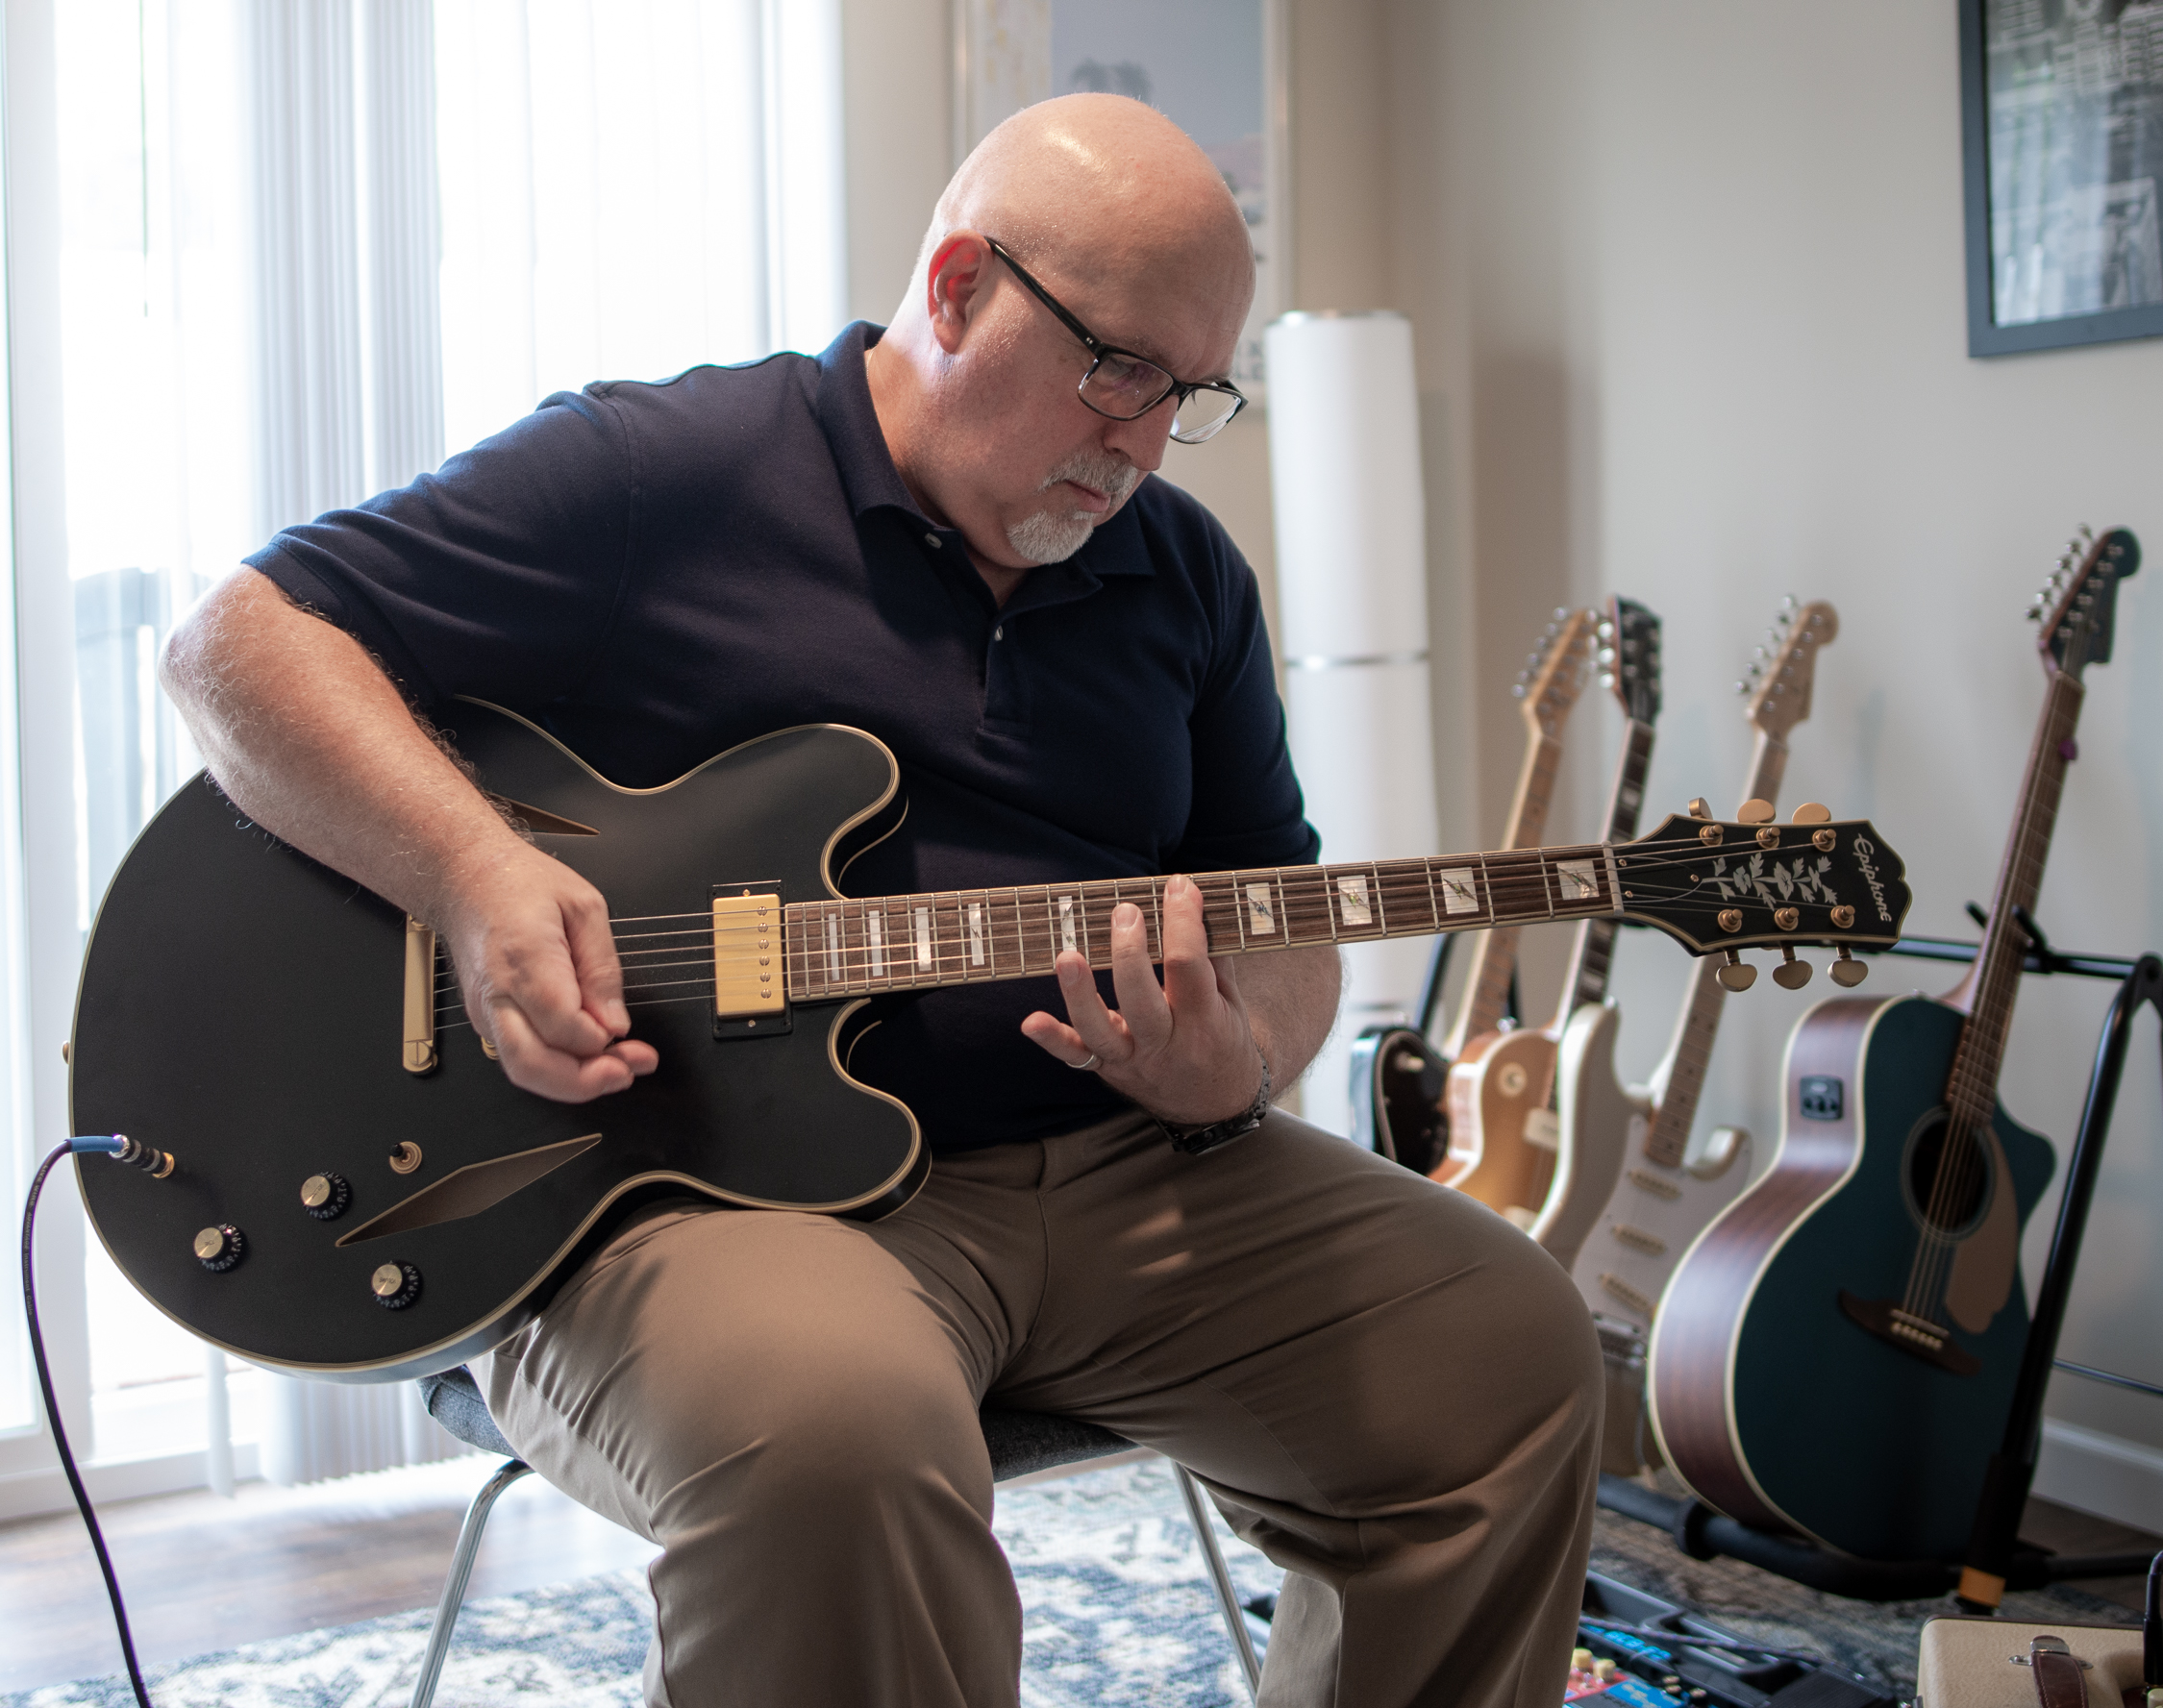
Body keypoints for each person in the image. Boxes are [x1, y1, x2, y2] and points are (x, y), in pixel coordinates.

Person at [163, 93, 1601, 1708]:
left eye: (1189, 395)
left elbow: (1273, 903)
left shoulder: (1181, 572)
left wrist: (1238, 1064)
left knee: (1503, 1351)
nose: (1139, 439)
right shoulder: (664, 475)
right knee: (835, 1439)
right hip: (697, 1196)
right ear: (959, 285)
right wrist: (475, 869)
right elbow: (237, 644)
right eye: (1118, 366)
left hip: (1116, 1175)